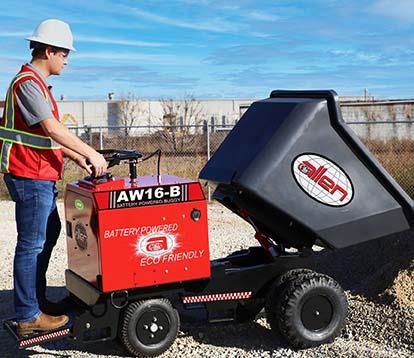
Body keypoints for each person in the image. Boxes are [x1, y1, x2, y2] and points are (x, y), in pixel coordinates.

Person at [0, 19, 107, 335]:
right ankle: (28, 315)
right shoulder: (28, 84)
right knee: (31, 244)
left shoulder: (37, 85)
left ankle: (36, 301)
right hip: (29, 175)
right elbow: (52, 129)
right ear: (48, 51)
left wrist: (77, 157)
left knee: (48, 232)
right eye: (63, 53)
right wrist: (91, 152)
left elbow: (47, 140)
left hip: (38, 174)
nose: (66, 60)